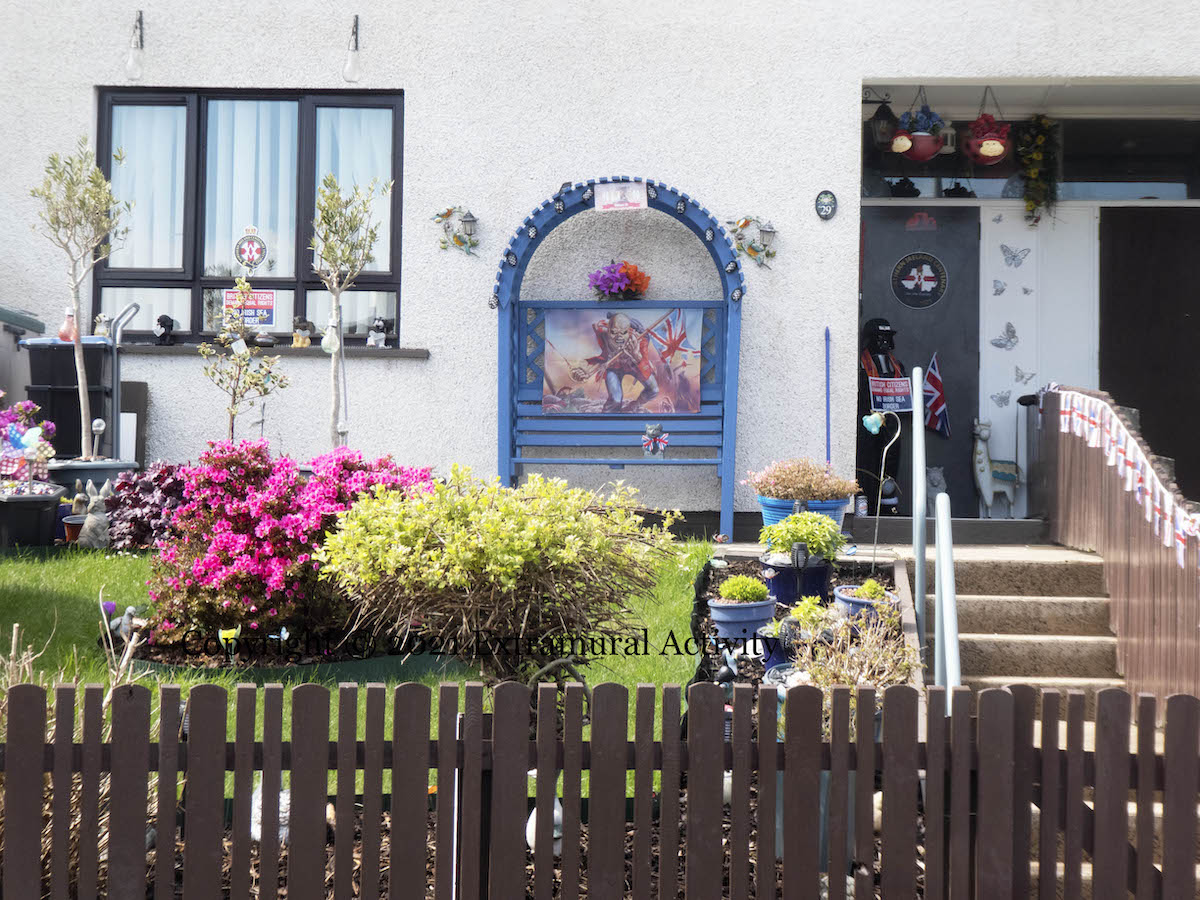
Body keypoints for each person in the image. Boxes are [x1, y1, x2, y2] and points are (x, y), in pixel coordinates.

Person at [857, 318, 906, 514]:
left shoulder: (898, 366)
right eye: (879, 338)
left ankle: (888, 506)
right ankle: (867, 505)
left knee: (891, 462)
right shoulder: (860, 364)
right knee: (868, 462)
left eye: (887, 337)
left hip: (892, 422)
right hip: (868, 423)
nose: (884, 342)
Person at [571, 312, 661, 412]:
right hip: (614, 368)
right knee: (616, 400)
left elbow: (645, 365)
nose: (619, 337)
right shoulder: (602, 333)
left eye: (623, 333)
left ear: (629, 332)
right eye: (614, 332)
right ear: (608, 330)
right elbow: (596, 359)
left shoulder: (640, 340)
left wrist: (636, 355)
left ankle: (633, 406)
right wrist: (582, 370)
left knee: (653, 390)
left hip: (634, 366)